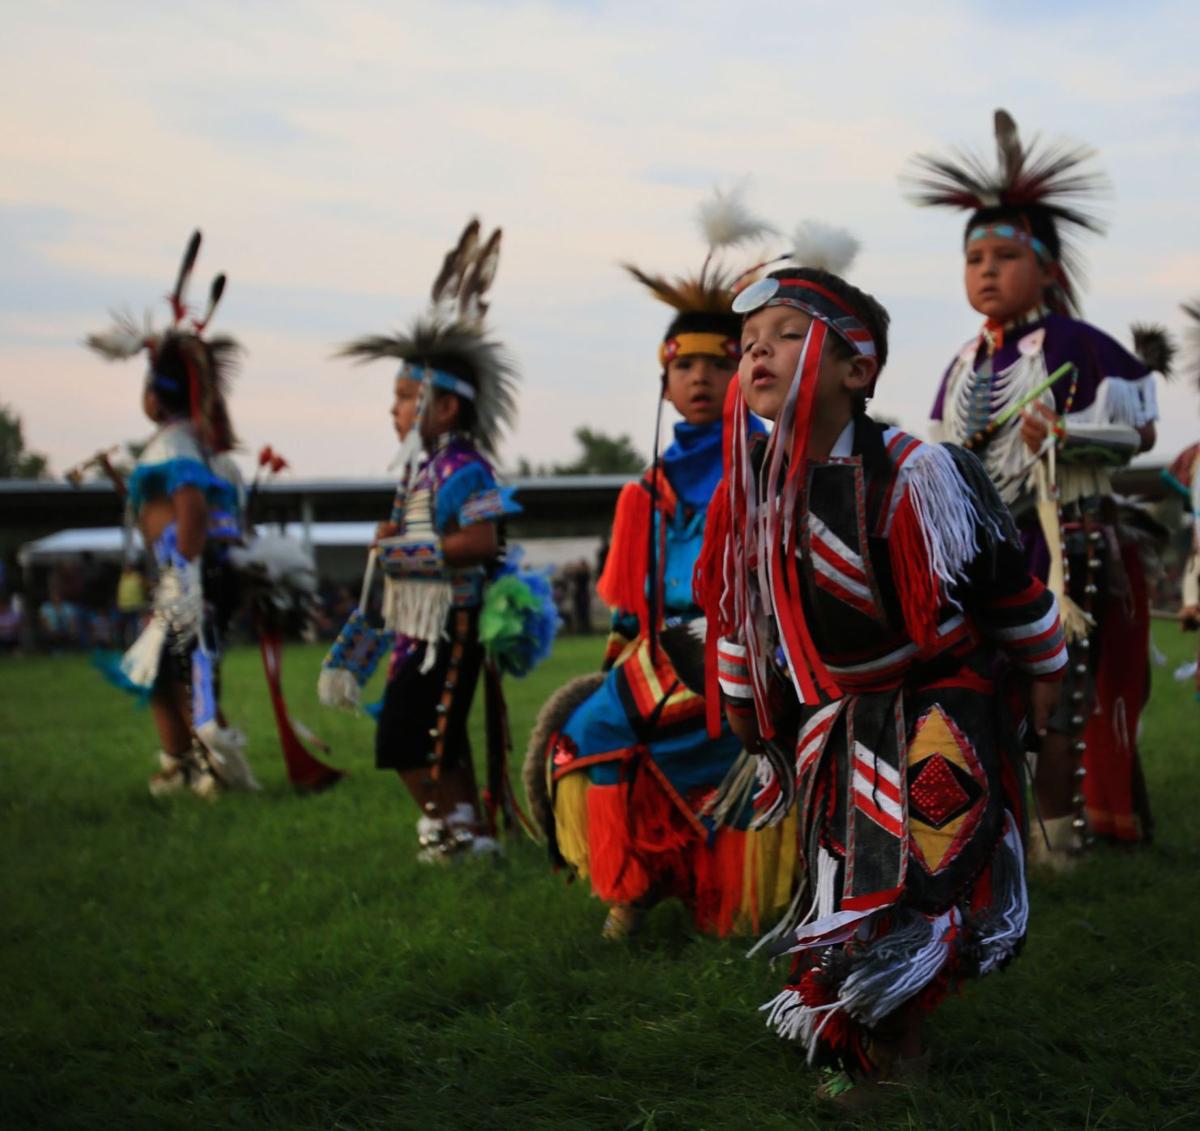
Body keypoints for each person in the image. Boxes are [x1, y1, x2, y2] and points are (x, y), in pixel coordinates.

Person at [698, 227, 1065, 1103]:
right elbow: (737, 611)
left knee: (906, 883)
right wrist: (747, 706)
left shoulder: (921, 473)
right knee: (843, 869)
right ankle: (855, 1027)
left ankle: (902, 1055)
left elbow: (1003, 585)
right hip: (842, 713)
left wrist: (1046, 670)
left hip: (940, 699)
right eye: (748, 342)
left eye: (786, 333)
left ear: (855, 369)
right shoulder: (748, 491)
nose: (757, 352)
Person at [525, 188, 798, 940]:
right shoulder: (641, 493)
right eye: (687, 367)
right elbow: (626, 610)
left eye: (722, 362)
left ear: (747, 373)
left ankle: (733, 893)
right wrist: (621, 659)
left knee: (736, 742)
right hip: (657, 657)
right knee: (588, 732)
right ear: (665, 381)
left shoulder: (771, 465)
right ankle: (633, 884)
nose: (704, 380)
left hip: (745, 654)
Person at [909, 109, 1166, 861]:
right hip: (985, 555)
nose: (985, 270)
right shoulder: (962, 363)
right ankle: (994, 833)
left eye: (1004, 255)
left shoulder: (1076, 344)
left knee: (1063, 698)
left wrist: (1068, 436)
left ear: (1048, 269)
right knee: (982, 691)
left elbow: (1140, 433)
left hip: (1066, 546)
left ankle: (1063, 844)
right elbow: (939, 456)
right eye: (974, 258)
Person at [335, 218, 521, 860]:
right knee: (436, 732)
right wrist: (397, 535)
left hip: (454, 618)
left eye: (405, 397)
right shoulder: (424, 470)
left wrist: (401, 552)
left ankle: (457, 828)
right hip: (424, 621)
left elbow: (483, 541)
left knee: (412, 733)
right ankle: (467, 830)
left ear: (444, 408)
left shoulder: (469, 468)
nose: (395, 411)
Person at [87, 230, 258, 797]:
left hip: (190, 572)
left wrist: (183, 572)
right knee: (168, 674)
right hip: (198, 570)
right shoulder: (194, 443)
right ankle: (182, 761)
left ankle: (214, 766)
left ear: (156, 396)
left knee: (188, 673)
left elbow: (189, 508)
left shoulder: (175, 445)